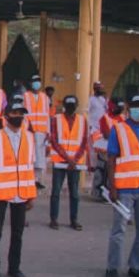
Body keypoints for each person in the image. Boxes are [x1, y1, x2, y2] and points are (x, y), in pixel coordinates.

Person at [0, 102, 37, 277]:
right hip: (1, 192)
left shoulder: (29, 137)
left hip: (22, 193)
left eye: (21, 113)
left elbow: (30, 166)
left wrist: (31, 195)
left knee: (18, 233)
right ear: (6, 116)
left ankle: (14, 268)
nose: (19, 116)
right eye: (15, 112)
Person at [104, 94, 139, 277]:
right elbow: (111, 159)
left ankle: (136, 266)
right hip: (124, 188)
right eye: (135, 106)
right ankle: (112, 267)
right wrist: (113, 187)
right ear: (129, 108)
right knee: (119, 230)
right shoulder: (119, 129)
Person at [48, 95, 89, 231]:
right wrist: (68, 158)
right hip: (60, 161)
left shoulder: (83, 121)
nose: (71, 108)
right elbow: (53, 139)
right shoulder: (56, 119)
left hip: (74, 163)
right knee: (56, 192)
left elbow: (84, 141)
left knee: (75, 193)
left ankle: (74, 219)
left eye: (73, 105)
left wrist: (75, 159)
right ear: (65, 105)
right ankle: (54, 219)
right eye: (69, 105)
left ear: (76, 106)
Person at [91, 97, 125, 196]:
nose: (120, 109)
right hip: (104, 150)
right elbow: (106, 133)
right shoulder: (105, 118)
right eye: (119, 107)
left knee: (114, 172)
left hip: (117, 149)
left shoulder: (122, 118)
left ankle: (111, 192)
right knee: (103, 172)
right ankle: (100, 194)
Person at [24, 75, 51, 189]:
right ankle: (30, 179)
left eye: (38, 81)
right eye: (34, 81)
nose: (36, 83)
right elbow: (24, 113)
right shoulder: (26, 96)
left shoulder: (45, 97)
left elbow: (47, 115)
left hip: (41, 131)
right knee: (30, 155)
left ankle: (38, 180)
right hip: (29, 130)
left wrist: (48, 132)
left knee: (40, 157)